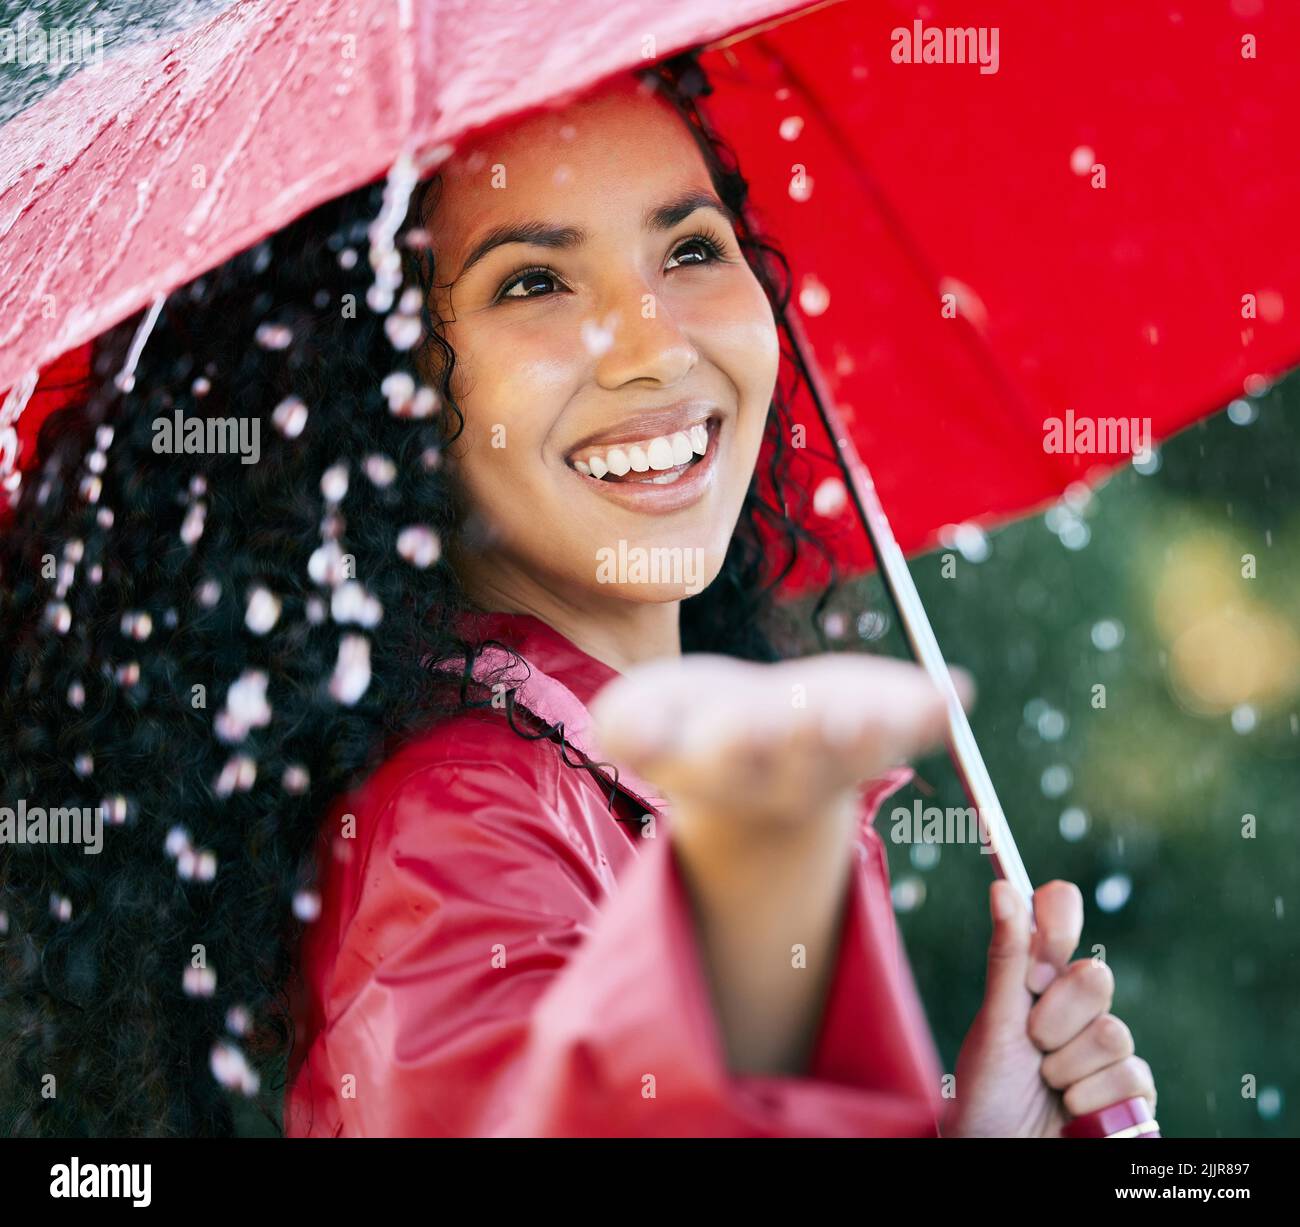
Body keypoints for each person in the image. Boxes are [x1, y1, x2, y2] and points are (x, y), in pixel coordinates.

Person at [0, 56, 1155, 1138]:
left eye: (692, 250)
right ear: (379, 397)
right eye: (535, 281)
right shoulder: (460, 835)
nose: (650, 346)